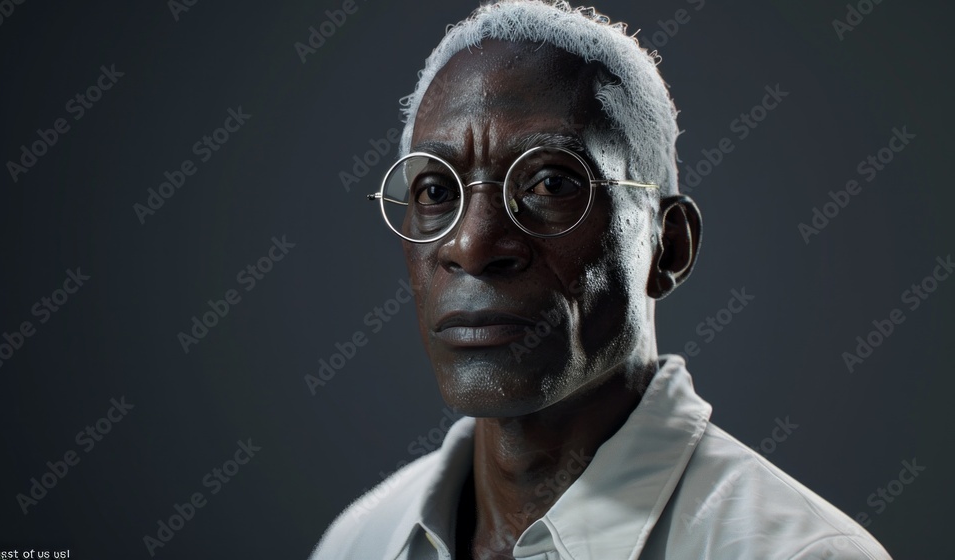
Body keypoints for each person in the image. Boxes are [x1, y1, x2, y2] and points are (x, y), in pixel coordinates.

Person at [313, 1, 891, 558]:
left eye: (551, 184)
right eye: (436, 192)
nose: (473, 244)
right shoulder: (361, 541)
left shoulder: (799, 553)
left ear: (670, 246)